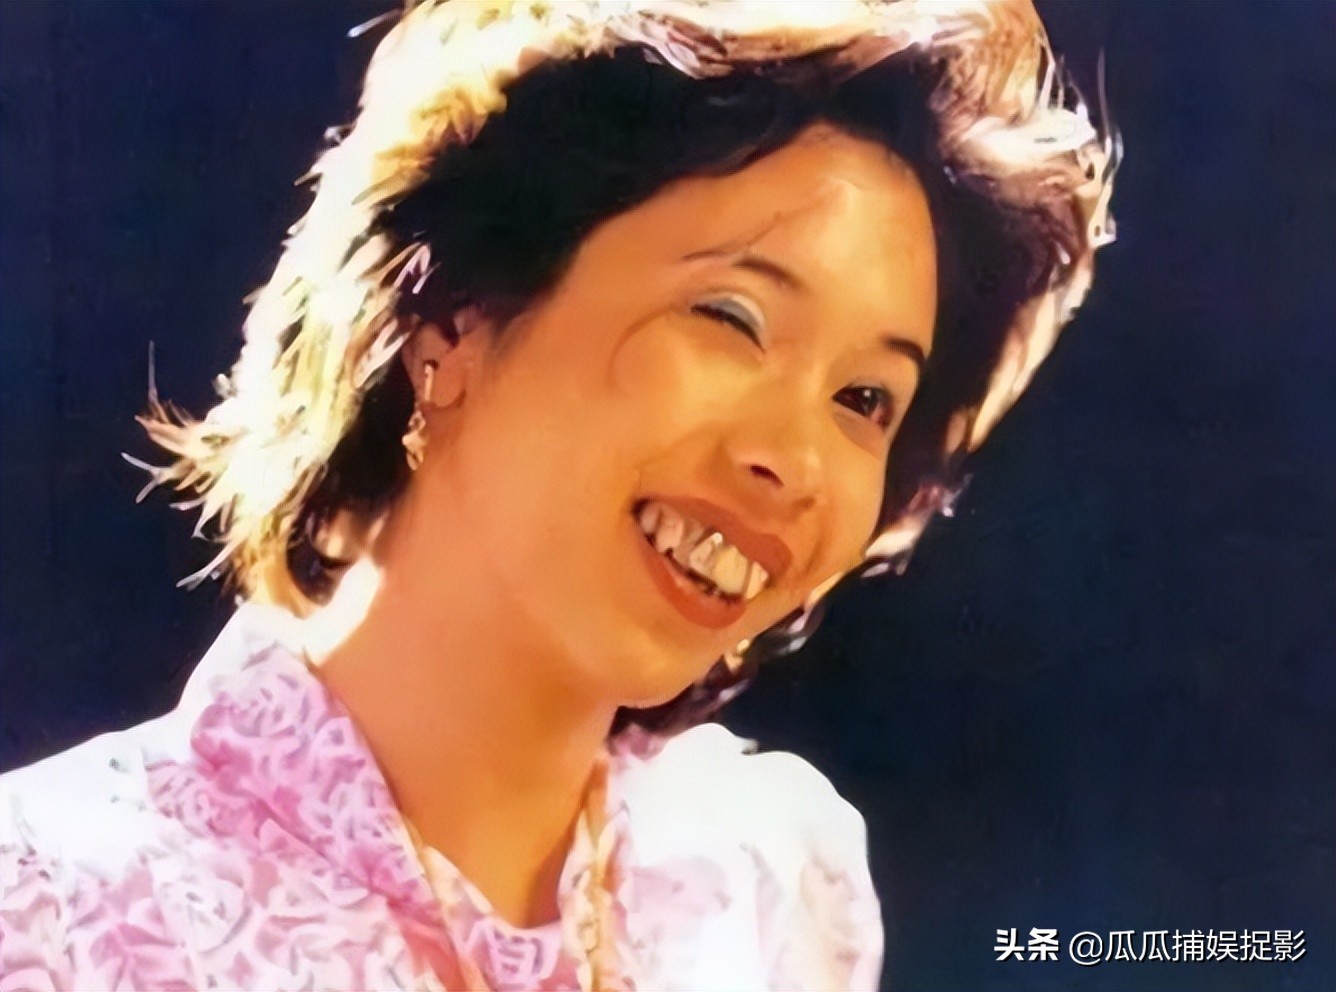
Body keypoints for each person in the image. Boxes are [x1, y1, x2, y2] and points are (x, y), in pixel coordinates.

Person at [0, 1, 1117, 988]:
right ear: (453, 319)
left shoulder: (770, 887)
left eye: (865, 399)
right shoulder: (57, 908)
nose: (796, 460)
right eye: (730, 319)